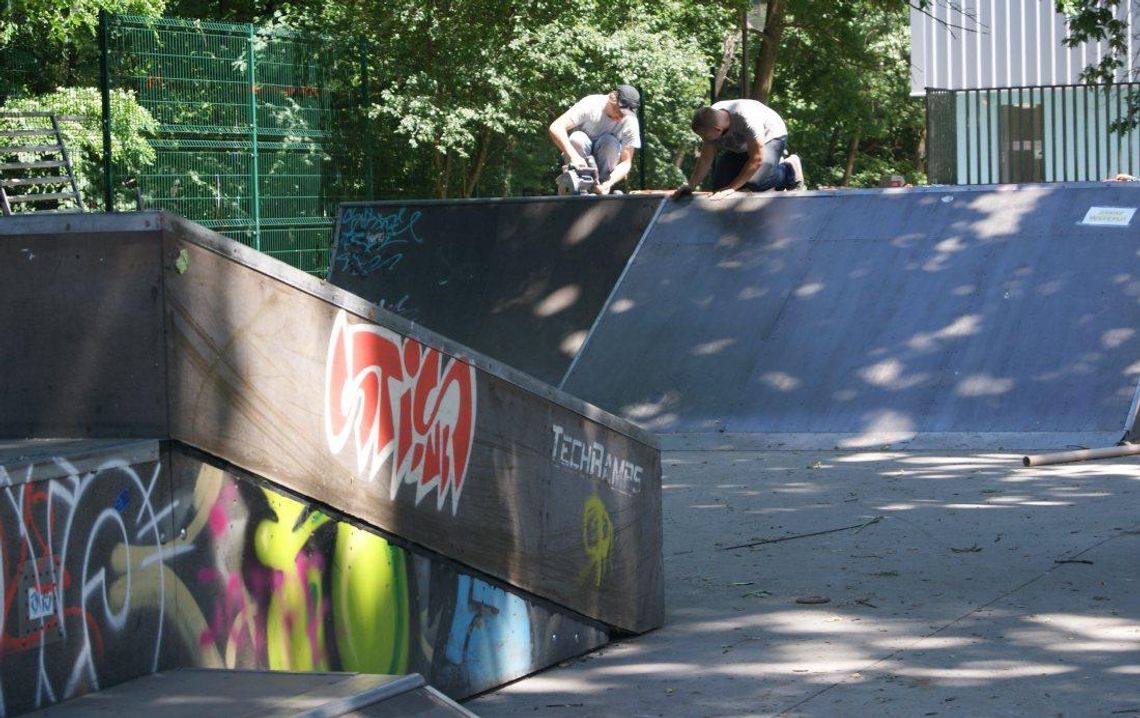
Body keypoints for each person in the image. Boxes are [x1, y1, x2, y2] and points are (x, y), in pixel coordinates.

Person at [673, 99, 804, 201]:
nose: (704, 140)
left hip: (770, 136)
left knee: (756, 182)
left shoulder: (747, 119)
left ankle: (789, 170)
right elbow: (706, 158)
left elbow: (756, 158)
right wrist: (690, 186)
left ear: (718, 129)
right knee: (719, 188)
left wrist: (732, 188)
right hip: (742, 146)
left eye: (706, 137)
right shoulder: (711, 118)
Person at [548, 85, 641, 195]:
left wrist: (609, 183)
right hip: (580, 157)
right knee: (577, 139)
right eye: (618, 112)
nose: (620, 117)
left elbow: (626, 162)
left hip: (605, 168)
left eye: (624, 115)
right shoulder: (591, 104)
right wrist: (574, 156)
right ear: (612, 99)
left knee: (609, 142)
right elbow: (555, 127)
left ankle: (599, 187)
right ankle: (578, 187)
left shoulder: (631, 121)